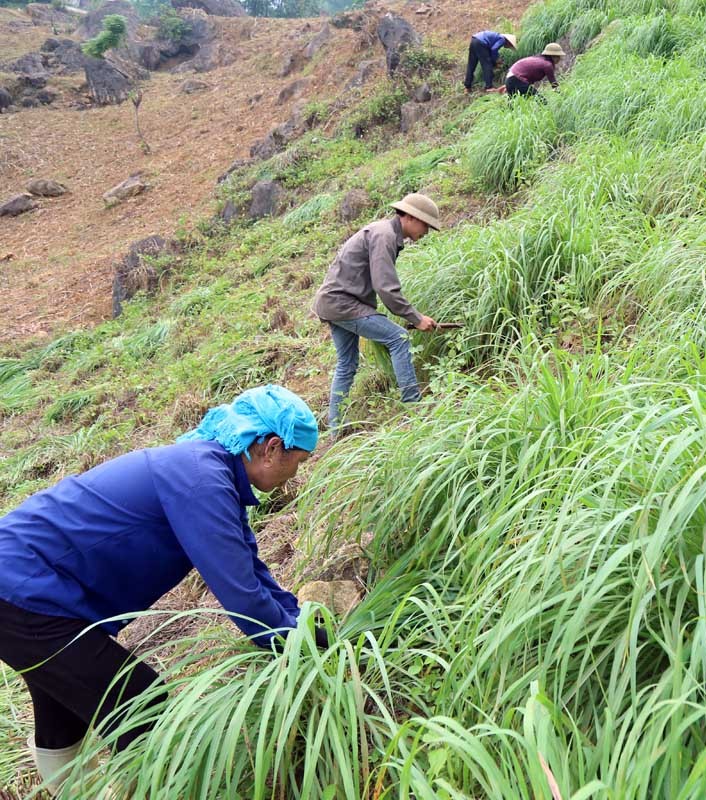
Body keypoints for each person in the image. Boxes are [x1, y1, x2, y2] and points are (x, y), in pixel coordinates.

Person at [0, 384, 320, 793]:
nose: (297, 472)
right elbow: (241, 596)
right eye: (300, 461)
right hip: (22, 588)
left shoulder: (211, 472)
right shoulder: (201, 481)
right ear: (272, 448)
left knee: (63, 713)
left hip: (28, 586)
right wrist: (301, 648)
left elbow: (250, 569)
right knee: (143, 703)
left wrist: (298, 622)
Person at [312, 192, 444, 433]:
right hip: (343, 303)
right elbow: (386, 287)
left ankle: (335, 428)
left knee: (346, 364)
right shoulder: (384, 235)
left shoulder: (383, 232)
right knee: (399, 338)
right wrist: (416, 318)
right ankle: (415, 409)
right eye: (426, 225)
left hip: (333, 302)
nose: (425, 233)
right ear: (412, 218)